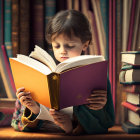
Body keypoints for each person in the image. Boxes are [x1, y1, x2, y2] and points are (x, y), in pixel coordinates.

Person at [11, 9, 115, 135]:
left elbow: (105, 125)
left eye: (70, 46)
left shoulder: (97, 76)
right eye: (56, 46)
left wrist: (98, 108)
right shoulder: (49, 73)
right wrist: (32, 108)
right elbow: (18, 124)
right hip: (44, 130)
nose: (62, 51)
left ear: (85, 44)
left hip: (75, 132)